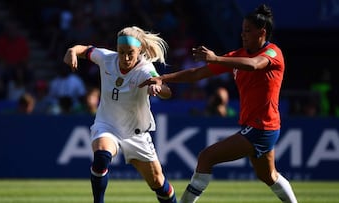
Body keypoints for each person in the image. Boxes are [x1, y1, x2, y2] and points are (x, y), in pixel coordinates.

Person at [140, 4, 298, 203]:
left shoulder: (273, 53)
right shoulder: (237, 55)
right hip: (256, 125)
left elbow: (254, 65)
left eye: (248, 31)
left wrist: (216, 58)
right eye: (242, 30)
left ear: (262, 32)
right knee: (269, 175)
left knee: (207, 157)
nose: (243, 35)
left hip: (262, 127)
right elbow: (197, 74)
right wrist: (164, 78)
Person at [63, 26, 177, 203]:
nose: (125, 57)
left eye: (130, 52)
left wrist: (158, 87)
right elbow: (85, 50)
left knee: (158, 182)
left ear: (139, 50)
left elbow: (166, 91)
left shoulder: (145, 70)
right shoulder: (107, 58)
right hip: (107, 124)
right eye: (121, 52)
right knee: (101, 155)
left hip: (135, 132)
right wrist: (72, 51)